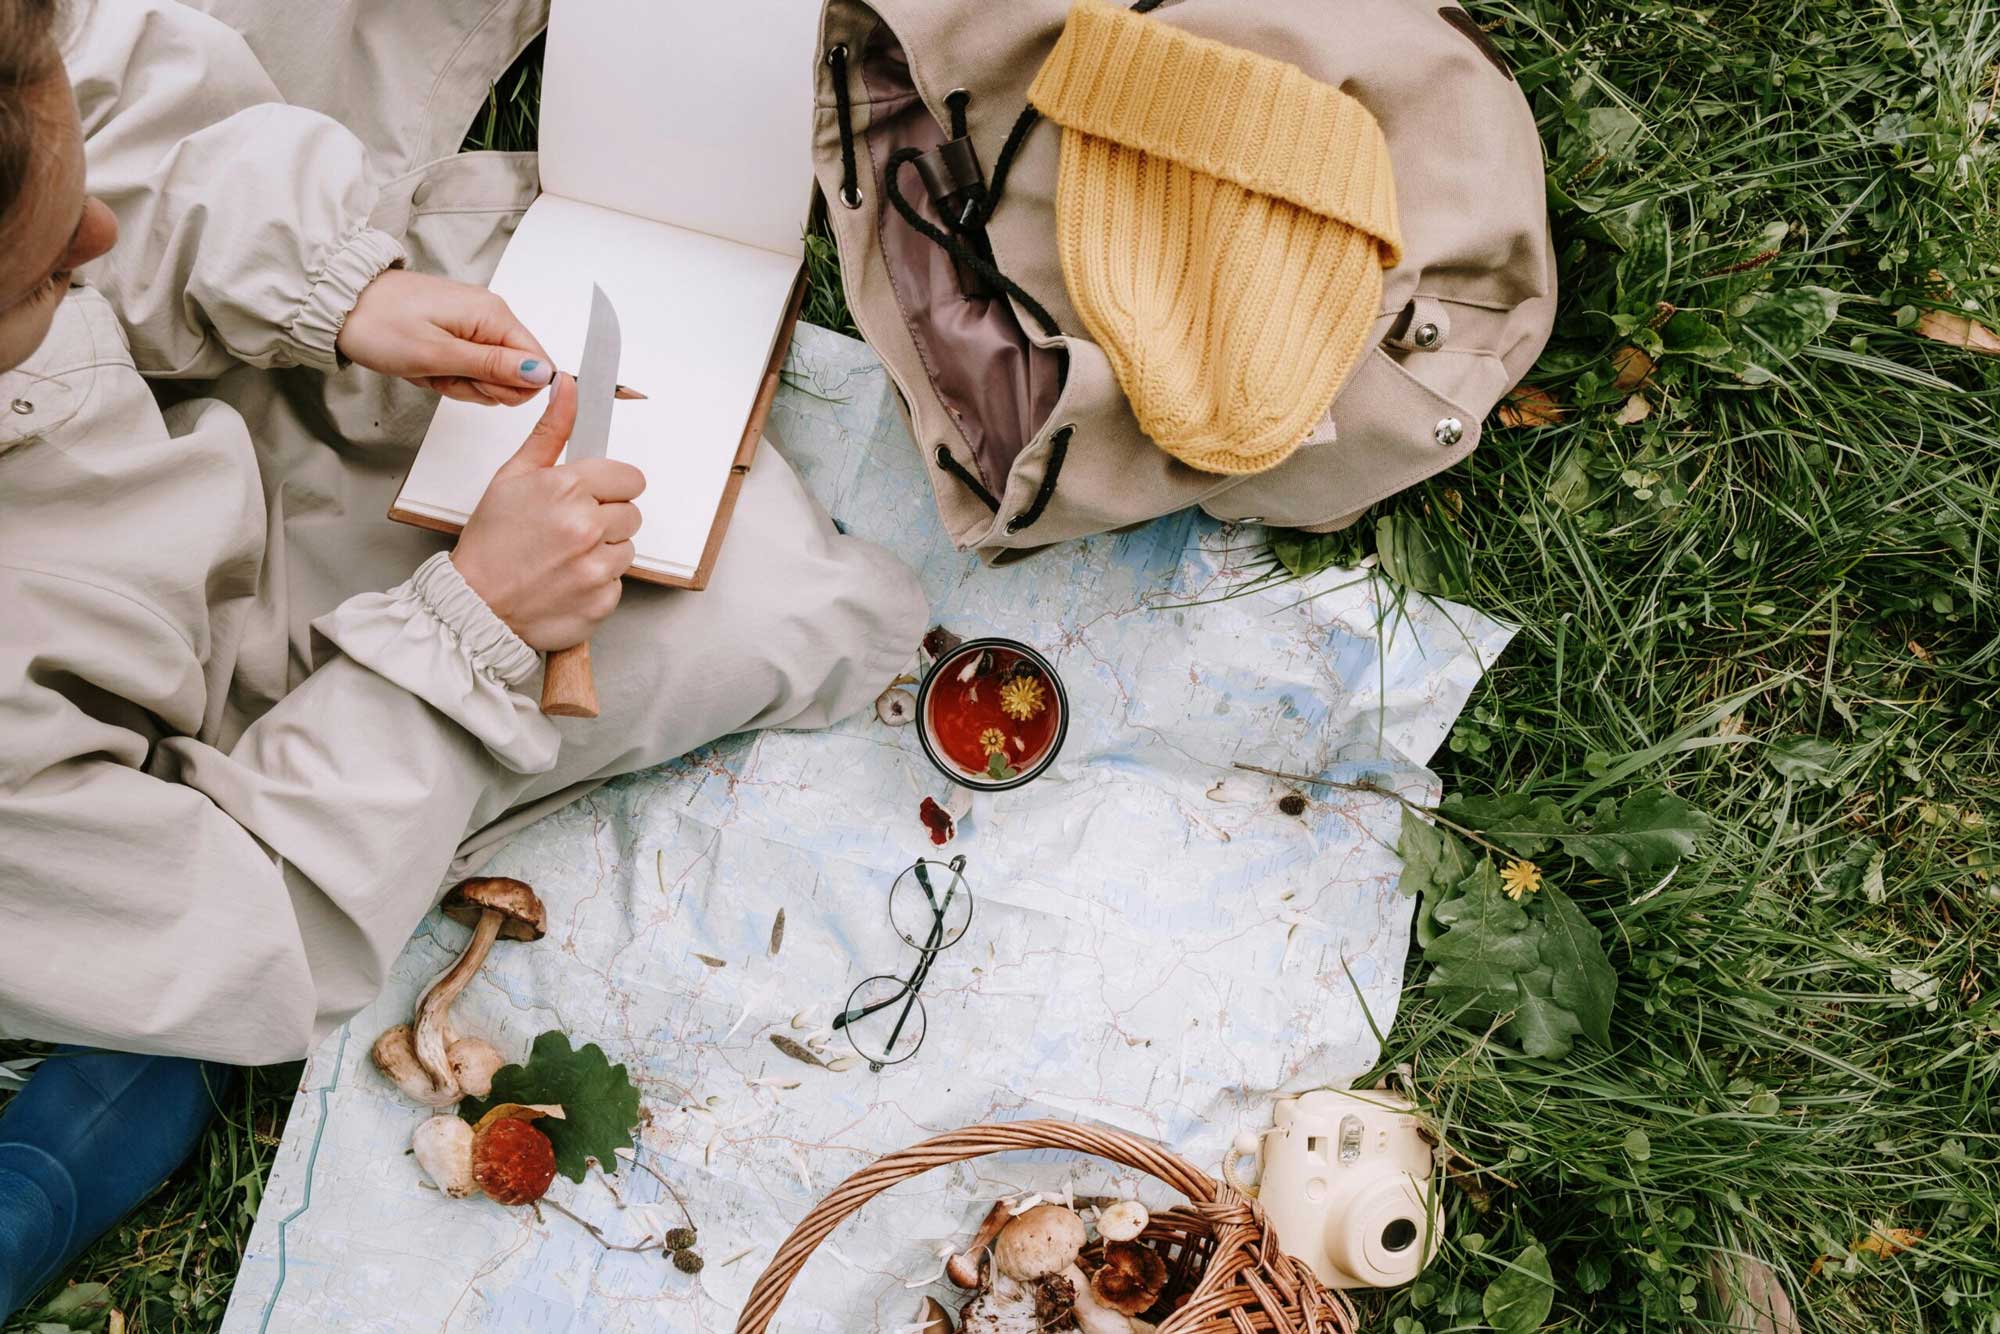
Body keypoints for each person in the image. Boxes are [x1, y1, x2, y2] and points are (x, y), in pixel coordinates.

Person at [0, 0, 926, 1315]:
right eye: (41, 273)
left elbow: (102, 100)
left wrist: (328, 283)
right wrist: (473, 622)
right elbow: (250, 919)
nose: (91, 238)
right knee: (786, 600)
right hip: (289, 666)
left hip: (226, 345)